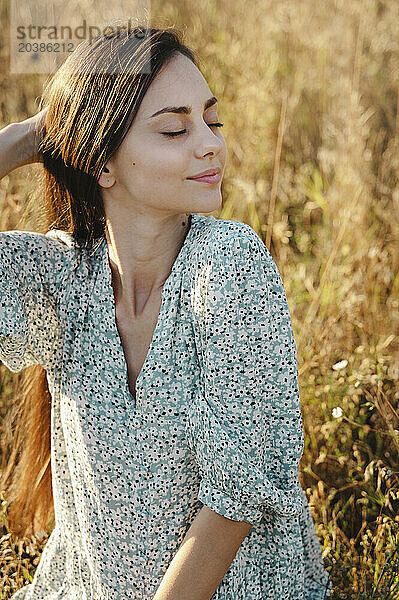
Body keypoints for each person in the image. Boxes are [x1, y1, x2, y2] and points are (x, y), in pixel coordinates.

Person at [0, 21, 332, 600]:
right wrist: (32, 136)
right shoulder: (59, 277)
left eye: (212, 120)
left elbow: (235, 502)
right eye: (176, 129)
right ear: (101, 163)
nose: (211, 143)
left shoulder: (230, 265)